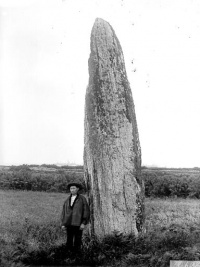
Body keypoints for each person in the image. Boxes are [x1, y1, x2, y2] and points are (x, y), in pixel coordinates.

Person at [61, 182, 90, 253]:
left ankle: (77, 256)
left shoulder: (82, 199)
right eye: (71, 188)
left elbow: (86, 211)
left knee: (78, 240)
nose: (72, 190)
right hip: (69, 223)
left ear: (78, 189)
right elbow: (64, 212)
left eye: (74, 188)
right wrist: (63, 224)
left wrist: (83, 223)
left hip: (78, 223)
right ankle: (69, 256)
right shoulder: (67, 200)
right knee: (69, 240)